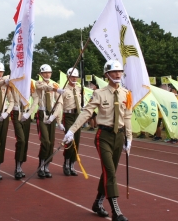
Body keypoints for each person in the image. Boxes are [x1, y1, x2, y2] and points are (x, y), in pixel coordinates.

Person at [63, 60, 132, 221]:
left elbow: (127, 116)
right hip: (104, 136)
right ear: (106, 74)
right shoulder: (99, 93)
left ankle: (97, 203)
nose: (118, 74)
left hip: (119, 136)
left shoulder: (126, 94)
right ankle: (116, 211)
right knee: (110, 171)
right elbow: (87, 112)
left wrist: (129, 138)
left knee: (109, 172)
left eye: (120, 71)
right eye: (114, 72)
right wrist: (72, 130)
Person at [32, 64, 63, 179]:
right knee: (45, 141)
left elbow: (59, 103)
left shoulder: (55, 85)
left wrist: (56, 119)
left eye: (49, 73)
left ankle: (46, 166)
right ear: (41, 74)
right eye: (44, 73)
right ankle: (41, 165)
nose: (47, 75)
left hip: (51, 115)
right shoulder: (38, 83)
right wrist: (55, 89)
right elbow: (44, 88)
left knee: (51, 143)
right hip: (42, 114)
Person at [11, 80, 35, 180]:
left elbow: (36, 98)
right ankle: (17, 167)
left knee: (25, 141)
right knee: (21, 140)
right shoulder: (13, 80)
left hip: (26, 114)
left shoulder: (30, 82)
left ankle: (20, 165)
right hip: (16, 113)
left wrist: (29, 113)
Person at [60, 67, 82, 176]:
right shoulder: (64, 89)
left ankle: (72, 164)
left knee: (76, 141)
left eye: (76, 77)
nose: (74, 78)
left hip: (77, 115)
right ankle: (66, 163)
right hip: (68, 115)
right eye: (72, 76)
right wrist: (59, 121)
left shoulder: (79, 88)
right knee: (70, 140)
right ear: (68, 77)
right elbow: (60, 105)